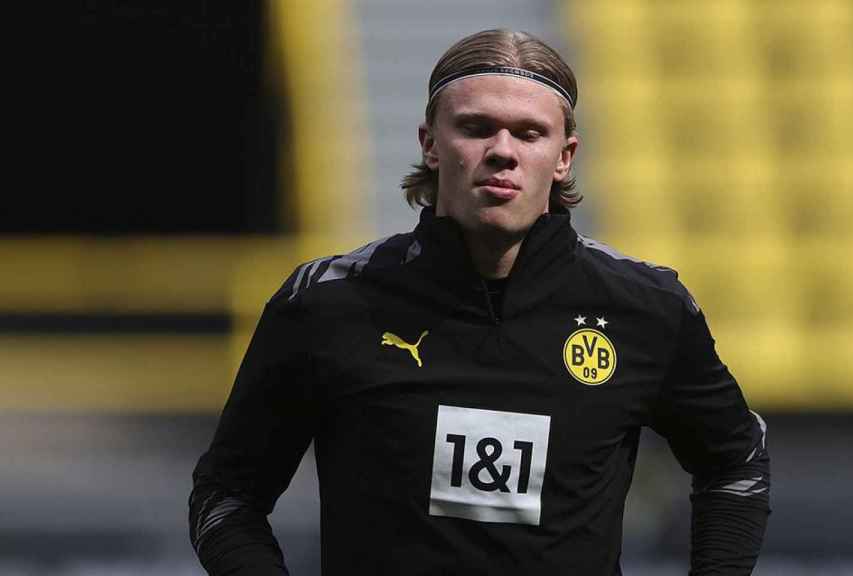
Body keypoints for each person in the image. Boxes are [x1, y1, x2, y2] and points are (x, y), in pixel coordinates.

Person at [189, 29, 769, 575]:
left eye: (528, 133)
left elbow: (734, 464)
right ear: (430, 144)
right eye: (475, 127)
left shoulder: (648, 309)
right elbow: (226, 496)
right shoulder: (326, 303)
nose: (501, 151)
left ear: (564, 156)